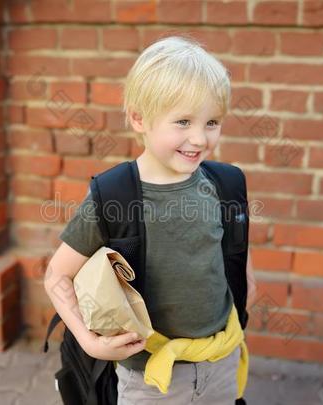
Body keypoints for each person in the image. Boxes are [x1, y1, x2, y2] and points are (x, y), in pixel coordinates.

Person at [44, 35, 257, 404]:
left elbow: (238, 263)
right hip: (148, 376)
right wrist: (89, 340)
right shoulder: (114, 197)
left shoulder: (226, 184)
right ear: (139, 118)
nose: (199, 138)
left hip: (221, 360)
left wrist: (244, 298)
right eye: (183, 121)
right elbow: (57, 275)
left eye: (212, 122)